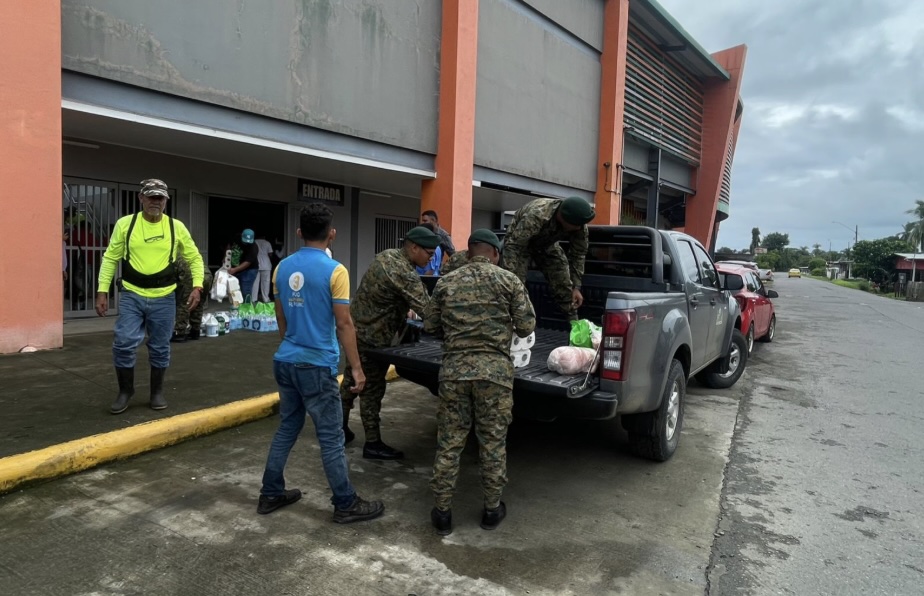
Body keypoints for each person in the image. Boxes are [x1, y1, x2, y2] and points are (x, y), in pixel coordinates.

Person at [258, 203, 385, 524]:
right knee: (330, 437)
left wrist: (293, 343)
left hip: (285, 359)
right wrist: (356, 367)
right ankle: (345, 502)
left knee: (288, 426)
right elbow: (344, 324)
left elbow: (281, 318)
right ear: (332, 234)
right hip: (316, 366)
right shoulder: (336, 271)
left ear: (300, 232)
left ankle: (270, 492)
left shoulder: (281, 268)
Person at [424, 229, 536, 535]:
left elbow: (430, 325)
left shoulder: (447, 282)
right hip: (494, 376)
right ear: (495, 253)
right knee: (492, 443)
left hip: (454, 373)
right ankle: (491, 511)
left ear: (469, 251)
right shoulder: (509, 280)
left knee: (449, 442)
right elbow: (526, 327)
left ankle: (442, 513)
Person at [96, 178, 204, 414]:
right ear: (141, 198)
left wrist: (197, 286)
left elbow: (194, 257)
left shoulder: (176, 227)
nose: (155, 201)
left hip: (164, 297)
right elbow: (110, 258)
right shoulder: (126, 224)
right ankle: (125, 391)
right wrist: (102, 291)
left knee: (160, 346)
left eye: (160, 198)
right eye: (151, 197)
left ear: (166, 201)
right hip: (132, 294)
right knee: (124, 342)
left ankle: (156, 392)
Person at [340, 225, 441, 460]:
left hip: (357, 330)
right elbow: (429, 311)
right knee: (372, 389)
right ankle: (372, 443)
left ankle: (338, 429)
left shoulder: (388, 256)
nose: (431, 258)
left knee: (351, 381)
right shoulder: (403, 271)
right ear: (414, 247)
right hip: (373, 337)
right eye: (429, 253)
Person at [501, 196, 594, 320]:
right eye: (576, 225)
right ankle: (515, 321)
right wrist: (510, 276)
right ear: (563, 218)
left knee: (562, 277)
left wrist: (576, 287)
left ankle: (574, 322)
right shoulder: (537, 215)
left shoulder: (579, 224)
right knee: (515, 284)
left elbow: (578, 255)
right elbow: (514, 246)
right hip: (520, 244)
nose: (578, 228)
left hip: (546, 244)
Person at [171, 253, 214, 342]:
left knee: (184, 303)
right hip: (207, 276)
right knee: (198, 303)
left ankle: (180, 333)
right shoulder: (187, 253)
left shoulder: (173, 256)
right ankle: (195, 331)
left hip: (192, 277)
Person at [228, 228, 259, 301]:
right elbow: (229, 245)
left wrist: (235, 269)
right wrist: (226, 256)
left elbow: (248, 262)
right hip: (235, 268)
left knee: (246, 290)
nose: (247, 243)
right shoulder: (236, 238)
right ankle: (236, 305)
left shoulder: (254, 247)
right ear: (241, 235)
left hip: (249, 270)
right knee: (234, 289)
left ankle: (246, 306)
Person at [254, 234, 274, 302]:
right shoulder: (267, 243)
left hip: (256, 263)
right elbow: (270, 254)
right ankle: (266, 298)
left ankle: (254, 298)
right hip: (266, 265)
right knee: (266, 283)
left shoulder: (254, 242)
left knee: (255, 283)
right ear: (264, 236)